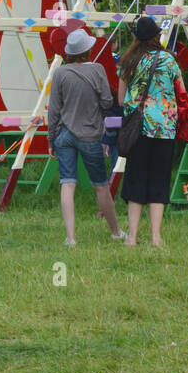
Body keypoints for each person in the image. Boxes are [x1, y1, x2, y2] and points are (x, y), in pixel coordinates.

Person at [47, 26, 125, 246]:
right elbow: (107, 102)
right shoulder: (98, 70)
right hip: (90, 135)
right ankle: (116, 231)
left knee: (67, 183)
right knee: (101, 185)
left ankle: (70, 237)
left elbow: (53, 110)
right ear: (88, 50)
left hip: (64, 135)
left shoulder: (60, 73)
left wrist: (51, 140)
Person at [117, 16, 180, 248]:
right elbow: (179, 90)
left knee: (136, 179)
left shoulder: (129, 61)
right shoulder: (169, 60)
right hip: (165, 127)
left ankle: (132, 237)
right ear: (156, 36)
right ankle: (156, 237)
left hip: (139, 128)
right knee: (159, 180)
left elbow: (122, 100)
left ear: (136, 37)